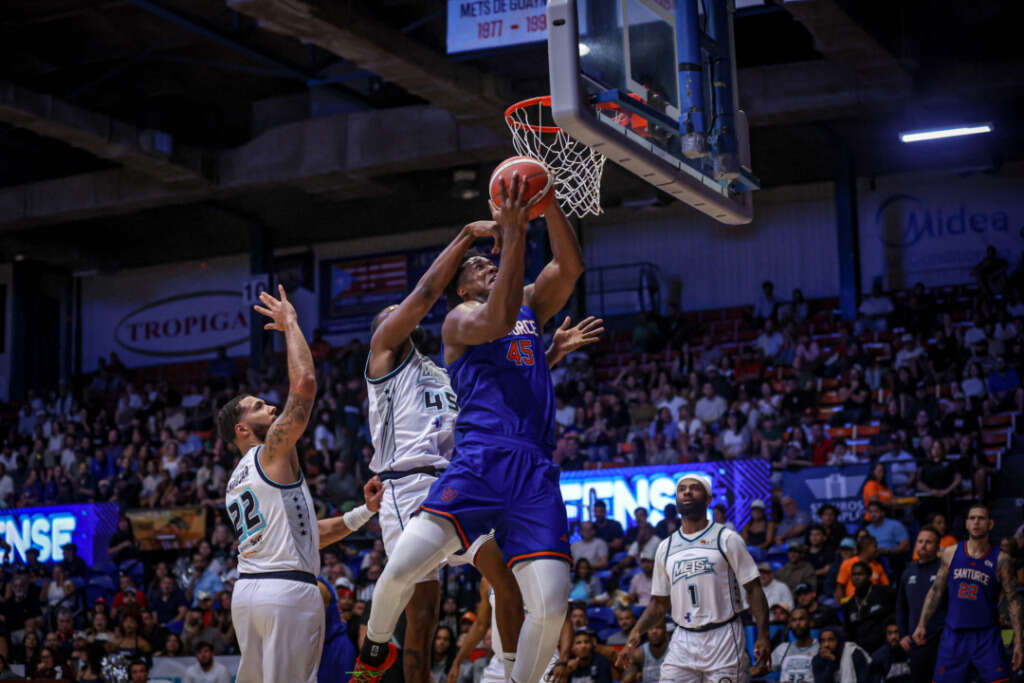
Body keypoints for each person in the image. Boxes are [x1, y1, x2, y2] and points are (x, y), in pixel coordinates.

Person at [357, 179, 586, 683]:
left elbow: (567, 270)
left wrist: (547, 208)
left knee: (533, 598)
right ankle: (373, 651)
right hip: (459, 470)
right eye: (478, 266)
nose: (487, 265)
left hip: (523, 466)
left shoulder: (507, 320)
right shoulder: (453, 322)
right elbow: (487, 314)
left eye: (490, 263)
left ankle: (511, 673)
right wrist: (512, 235)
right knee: (411, 592)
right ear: (462, 289)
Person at [217, 285, 383, 683]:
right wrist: (291, 323)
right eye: (259, 406)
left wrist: (364, 513)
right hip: (287, 595)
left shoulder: (235, 482)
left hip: (249, 595)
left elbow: (305, 536)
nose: (270, 407)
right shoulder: (270, 452)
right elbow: (305, 384)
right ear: (243, 429)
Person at [615, 473, 771, 682]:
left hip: (723, 635)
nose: (687, 491)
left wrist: (763, 634)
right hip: (682, 638)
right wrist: (636, 632)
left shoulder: (727, 538)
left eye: (694, 487)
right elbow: (659, 604)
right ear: (677, 500)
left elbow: (754, 589)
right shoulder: (666, 547)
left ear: (707, 499)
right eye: (681, 489)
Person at [913, 504, 1024, 682]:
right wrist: (921, 624)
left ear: (991, 524)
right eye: (972, 518)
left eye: (981, 518)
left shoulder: (1001, 559)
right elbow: (936, 591)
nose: (976, 522)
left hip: (986, 636)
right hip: (954, 635)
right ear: (966, 524)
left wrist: (1018, 641)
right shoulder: (951, 552)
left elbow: (1013, 600)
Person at [897, 526, 945, 683]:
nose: (923, 545)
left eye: (929, 542)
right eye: (920, 541)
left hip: (941, 638)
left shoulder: (944, 570)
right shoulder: (907, 573)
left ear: (938, 547)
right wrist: (903, 634)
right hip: (916, 640)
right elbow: (901, 607)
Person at [841, 561, 896, 653]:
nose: (856, 578)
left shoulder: (884, 592)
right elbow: (849, 632)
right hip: (861, 651)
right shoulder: (850, 604)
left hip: (884, 647)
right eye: (854, 575)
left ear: (869, 575)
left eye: (860, 574)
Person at [754, 606, 818, 681]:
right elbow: (761, 669)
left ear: (811, 622)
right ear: (790, 624)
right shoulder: (783, 648)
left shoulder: (819, 649)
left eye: (801, 619)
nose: (797, 623)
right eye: (794, 620)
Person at [835, 535, 889, 603]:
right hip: (853, 604)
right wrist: (843, 605)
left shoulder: (878, 566)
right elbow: (839, 588)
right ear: (866, 547)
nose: (876, 549)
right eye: (874, 546)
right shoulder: (847, 564)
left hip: (873, 604)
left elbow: (886, 587)